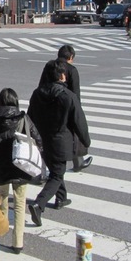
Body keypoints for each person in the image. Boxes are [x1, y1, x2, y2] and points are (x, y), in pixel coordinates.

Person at [27, 60, 91, 227]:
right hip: (60, 141)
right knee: (56, 174)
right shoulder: (67, 96)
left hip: (42, 140)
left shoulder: (37, 94)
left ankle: (61, 198)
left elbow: (30, 118)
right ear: (62, 75)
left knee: (56, 169)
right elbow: (79, 122)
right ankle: (38, 204)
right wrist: (86, 141)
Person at [0, 88, 42, 253]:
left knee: (2, 199)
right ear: (15, 101)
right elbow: (37, 139)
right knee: (19, 203)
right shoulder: (23, 118)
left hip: (1, 167)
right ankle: (18, 242)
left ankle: (1, 231)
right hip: (21, 167)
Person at [39, 45, 91, 173]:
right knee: (72, 134)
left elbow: (41, 84)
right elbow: (75, 93)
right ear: (71, 57)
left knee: (45, 136)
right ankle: (77, 162)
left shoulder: (49, 66)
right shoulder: (72, 70)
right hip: (65, 105)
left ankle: (42, 168)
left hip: (47, 103)